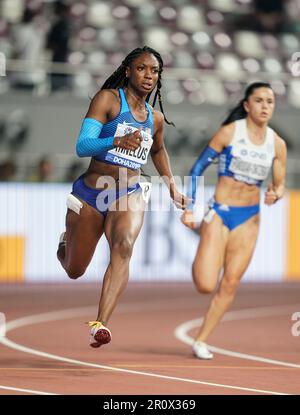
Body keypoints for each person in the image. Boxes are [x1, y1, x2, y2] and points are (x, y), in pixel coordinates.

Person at [57, 46, 188, 348]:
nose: (148, 76)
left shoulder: (154, 118)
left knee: (124, 246)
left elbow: (157, 150)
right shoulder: (108, 100)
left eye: (154, 71)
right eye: (142, 68)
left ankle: (100, 324)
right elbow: (83, 145)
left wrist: (171, 185)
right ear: (128, 70)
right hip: (92, 194)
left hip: (128, 193)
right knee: (75, 269)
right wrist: (117, 138)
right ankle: (65, 242)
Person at [181, 82, 287, 359]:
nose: (265, 106)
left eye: (270, 101)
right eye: (260, 100)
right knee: (205, 284)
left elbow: (279, 185)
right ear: (247, 105)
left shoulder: (276, 143)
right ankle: (204, 237)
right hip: (221, 212)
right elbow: (197, 168)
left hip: (249, 217)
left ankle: (201, 340)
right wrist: (190, 207)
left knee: (230, 283)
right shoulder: (230, 133)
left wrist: (275, 194)